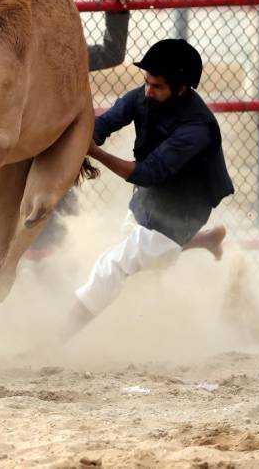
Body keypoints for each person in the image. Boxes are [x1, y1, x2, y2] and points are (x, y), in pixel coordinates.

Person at [61, 38, 234, 341]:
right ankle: (205, 241)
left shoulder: (197, 128)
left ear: (181, 89)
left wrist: (95, 153)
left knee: (113, 265)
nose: (147, 91)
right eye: (146, 82)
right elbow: (105, 123)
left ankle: (59, 336)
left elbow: (148, 173)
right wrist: (81, 140)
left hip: (183, 211)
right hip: (150, 201)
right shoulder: (145, 96)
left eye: (157, 86)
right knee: (141, 254)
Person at [0, 0, 131, 241]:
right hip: (3, 156)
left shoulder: (60, 57)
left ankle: (50, 275)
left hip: (46, 157)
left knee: (51, 232)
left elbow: (110, 52)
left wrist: (116, 12)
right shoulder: (0, 55)